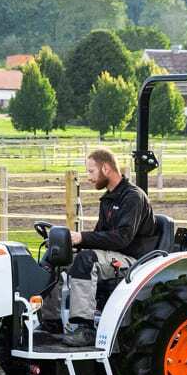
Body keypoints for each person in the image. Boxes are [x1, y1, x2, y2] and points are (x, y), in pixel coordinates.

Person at [56, 148, 158, 347]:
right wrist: (76, 242)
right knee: (59, 259)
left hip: (133, 260)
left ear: (106, 168)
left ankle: (84, 328)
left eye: (91, 171)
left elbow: (122, 239)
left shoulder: (133, 197)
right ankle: (50, 322)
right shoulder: (108, 199)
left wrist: (81, 237)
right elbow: (99, 236)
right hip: (113, 255)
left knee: (86, 260)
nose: (88, 178)